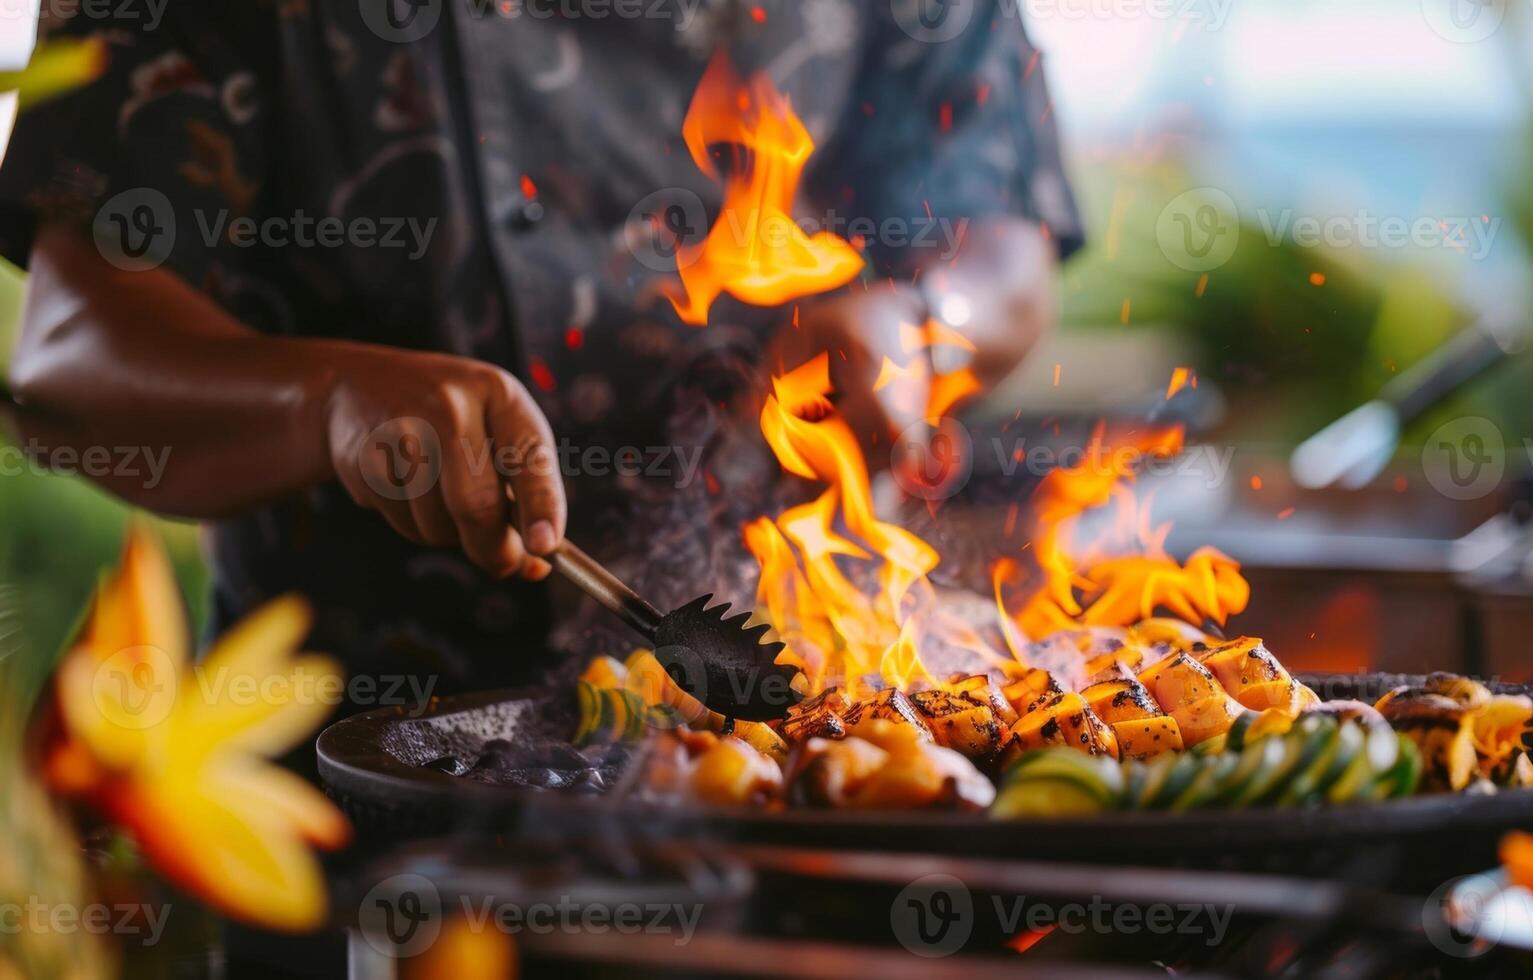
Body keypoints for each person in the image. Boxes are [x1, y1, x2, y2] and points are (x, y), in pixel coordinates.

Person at [1, 0, 1081, 711]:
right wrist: (324, 399)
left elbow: (998, 240)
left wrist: (918, 325)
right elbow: (73, 354)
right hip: (371, 772)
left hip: (822, 729)